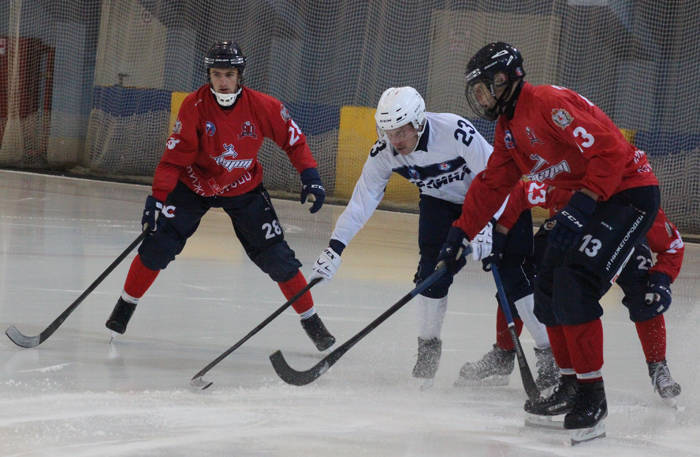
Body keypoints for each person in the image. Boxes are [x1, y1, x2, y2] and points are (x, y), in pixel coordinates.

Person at [438, 42, 660, 442]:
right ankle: (571, 383)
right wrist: (460, 234)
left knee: (575, 284)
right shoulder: (507, 131)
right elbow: (492, 186)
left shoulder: (546, 103)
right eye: (477, 93)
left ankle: (593, 396)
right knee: (547, 288)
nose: (481, 98)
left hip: (626, 193)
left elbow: (610, 149)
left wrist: (585, 200)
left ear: (506, 79)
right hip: (591, 201)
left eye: (485, 88)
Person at [307, 86, 556, 388]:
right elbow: (363, 201)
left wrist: (488, 225)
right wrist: (336, 248)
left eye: (400, 131)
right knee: (431, 274)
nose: (395, 140)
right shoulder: (385, 152)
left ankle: (549, 358)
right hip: (440, 202)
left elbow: (496, 176)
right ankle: (427, 355)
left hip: (496, 197)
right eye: (388, 132)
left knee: (514, 275)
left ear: (418, 122)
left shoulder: (454, 131)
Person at [104, 41, 336, 351]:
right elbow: (174, 157)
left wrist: (311, 176)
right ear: (208, 75)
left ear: (240, 75)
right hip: (194, 187)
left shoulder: (263, 106)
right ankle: (123, 309)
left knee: (278, 259)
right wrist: (158, 198)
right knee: (156, 247)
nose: (222, 81)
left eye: (229, 74)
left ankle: (312, 322)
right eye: (216, 74)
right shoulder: (194, 106)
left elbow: (294, 141)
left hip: (243, 188)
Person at [498, 180, 683, 402]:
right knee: (520, 272)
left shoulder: (634, 199)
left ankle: (658, 366)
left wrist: (661, 280)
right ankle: (512, 353)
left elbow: (673, 244)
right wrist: (499, 233)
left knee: (644, 293)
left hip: (621, 238)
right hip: (574, 236)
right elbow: (519, 193)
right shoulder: (566, 187)